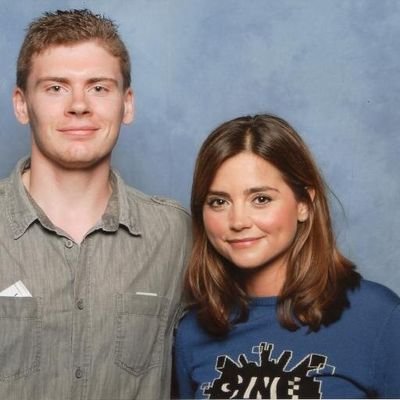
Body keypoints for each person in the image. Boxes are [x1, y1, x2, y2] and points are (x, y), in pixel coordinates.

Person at [0, 9, 191, 400]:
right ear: (21, 105)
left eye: (99, 87)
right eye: (55, 88)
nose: (79, 105)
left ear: (127, 104)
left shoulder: (175, 235)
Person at [174, 114, 400, 399]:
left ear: (304, 204)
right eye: (218, 202)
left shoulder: (379, 317)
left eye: (261, 199)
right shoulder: (193, 331)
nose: (238, 221)